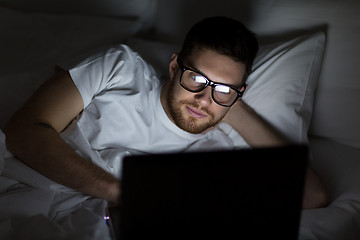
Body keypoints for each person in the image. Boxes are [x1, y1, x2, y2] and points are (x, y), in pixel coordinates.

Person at [3, 16, 328, 209]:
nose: (202, 98)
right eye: (197, 78)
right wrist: (122, 192)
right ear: (175, 67)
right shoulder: (120, 68)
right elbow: (23, 130)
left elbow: (311, 195)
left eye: (225, 88)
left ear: (239, 93)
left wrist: (225, 103)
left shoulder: (221, 144)